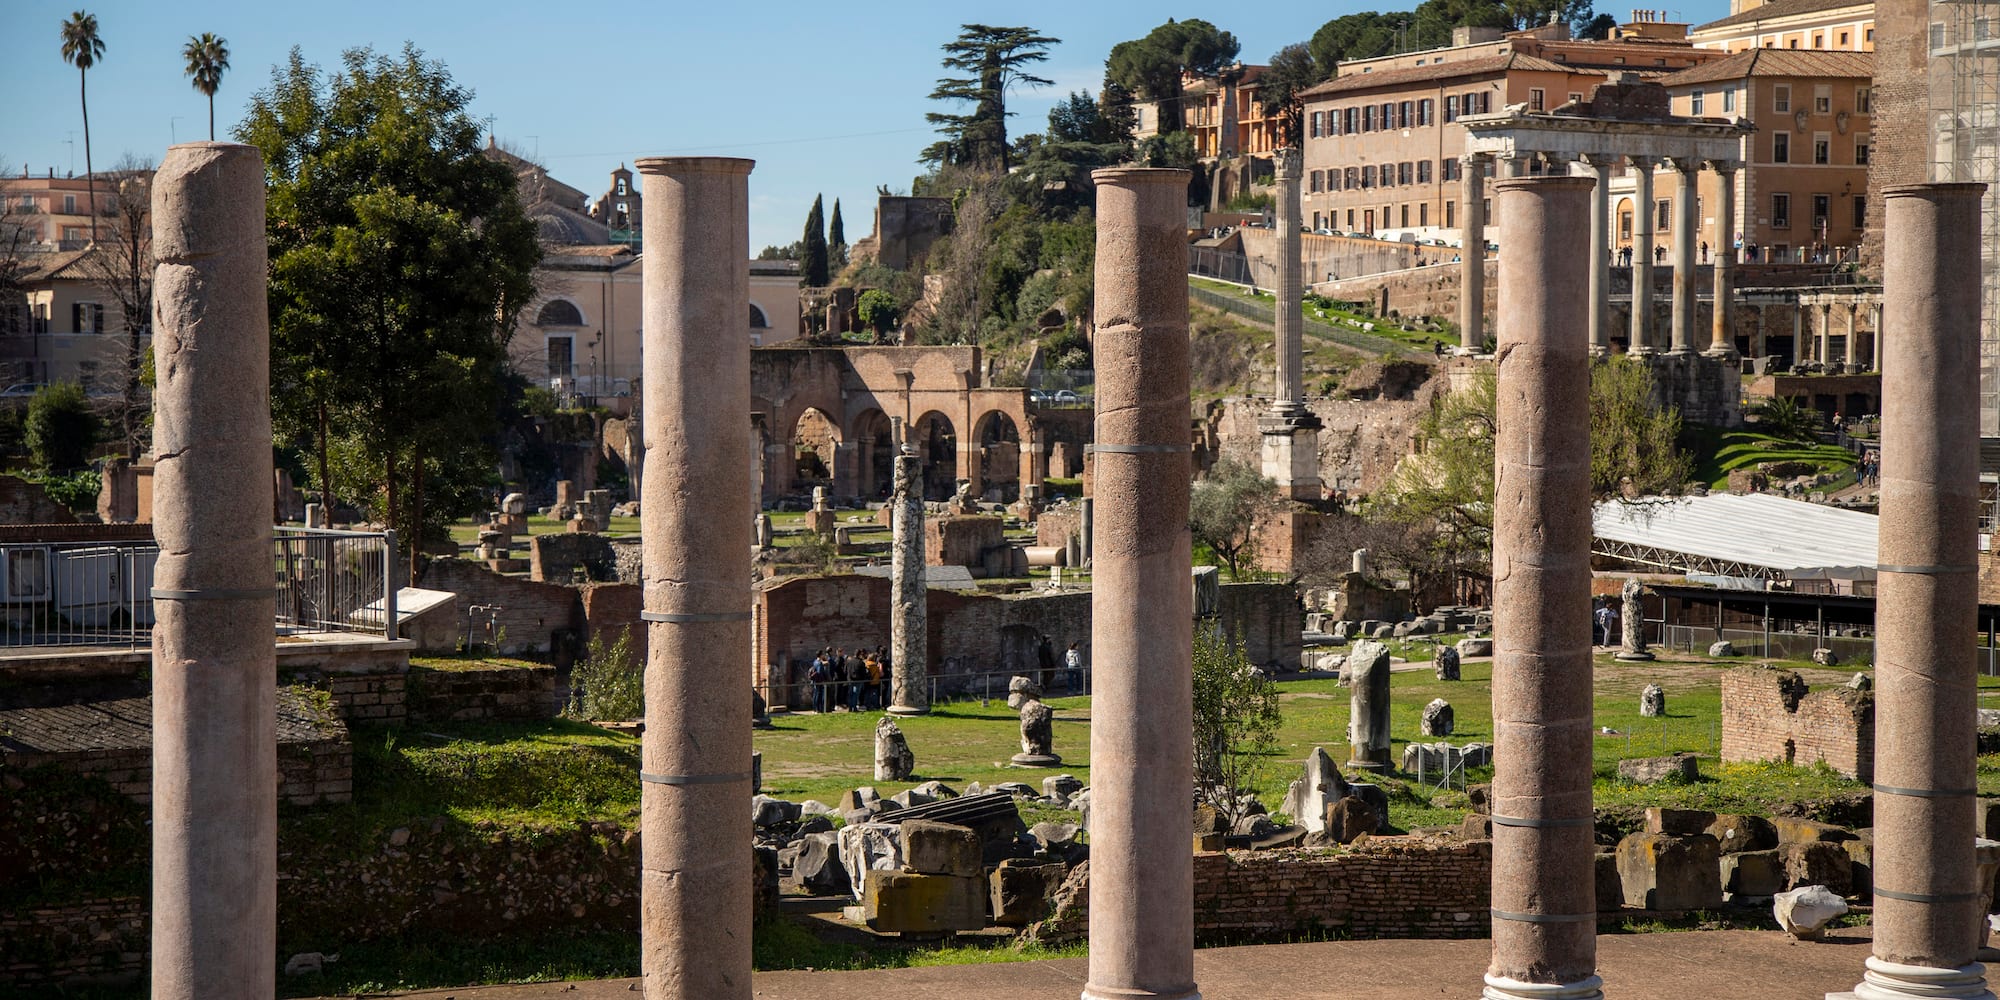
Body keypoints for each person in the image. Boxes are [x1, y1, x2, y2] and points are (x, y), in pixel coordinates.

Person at [807, 648, 831, 714]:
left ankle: (814, 708)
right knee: (818, 695)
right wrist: (823, 680)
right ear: (821, 655)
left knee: (815, 695)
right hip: (819, 681)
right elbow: (820, 672)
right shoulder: (820, 664)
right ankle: (818, 709)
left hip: (815, 681)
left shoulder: (815, 661)